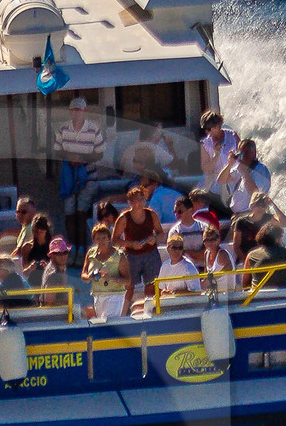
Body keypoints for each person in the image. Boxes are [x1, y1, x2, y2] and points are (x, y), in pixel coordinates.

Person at [55, 94, 104, 244]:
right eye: (74, 110)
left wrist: (82, 159)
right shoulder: (63, 128)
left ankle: (82, 248)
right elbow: (57, 150)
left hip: (88, 176)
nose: (77, 113)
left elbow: (100, 153)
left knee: (81, 212)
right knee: (69, 213)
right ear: (70, 111)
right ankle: (71, 247)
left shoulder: (93, 129)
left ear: (85, 111)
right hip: (69, 176)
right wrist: (69, 156)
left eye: (80, 110)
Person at [111, 182, 165, 315]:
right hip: (131, 256)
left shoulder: (151, 214)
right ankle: (122, 314)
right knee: (129, 287)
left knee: (151, 285)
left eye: (141, 199)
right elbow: (115, 240)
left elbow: (160, 233)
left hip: (150, 253)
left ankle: (149, 311)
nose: (138, 203)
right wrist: (130, 244)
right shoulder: (124, 218)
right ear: (129, 202)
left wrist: (154, 240)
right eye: (135, 200)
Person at [227, 138, 272, 217]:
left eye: (246, 153)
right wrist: (229, 165)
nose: (243, 156)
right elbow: (221, 180)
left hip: (253, 216)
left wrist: (244, 173)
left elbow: (255, 193)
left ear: (254, 153)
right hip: (237, 215)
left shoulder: (261, 171)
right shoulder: (240, 167)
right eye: (241, 153)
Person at [199, 107, 240, 192]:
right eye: (205, 129)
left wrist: (235, 157)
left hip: (234, 177)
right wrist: (216, 155)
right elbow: (207, 170)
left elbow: (243, 155)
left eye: (209, 129)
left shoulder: (233, 136)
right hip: (217, 181)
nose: (207, 132)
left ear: (218, 126)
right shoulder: (205, 144)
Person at [158, 232, 204, 302]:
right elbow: (160, 289)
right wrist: (164, 293)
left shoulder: (188, 267)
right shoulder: (165, 265)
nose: (177, 250)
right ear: (168, 249)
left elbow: (196, 292)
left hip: (184, 305)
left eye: (180, 248)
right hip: (168, 303)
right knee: (136, 307)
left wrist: (174, 292)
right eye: (174, 247)